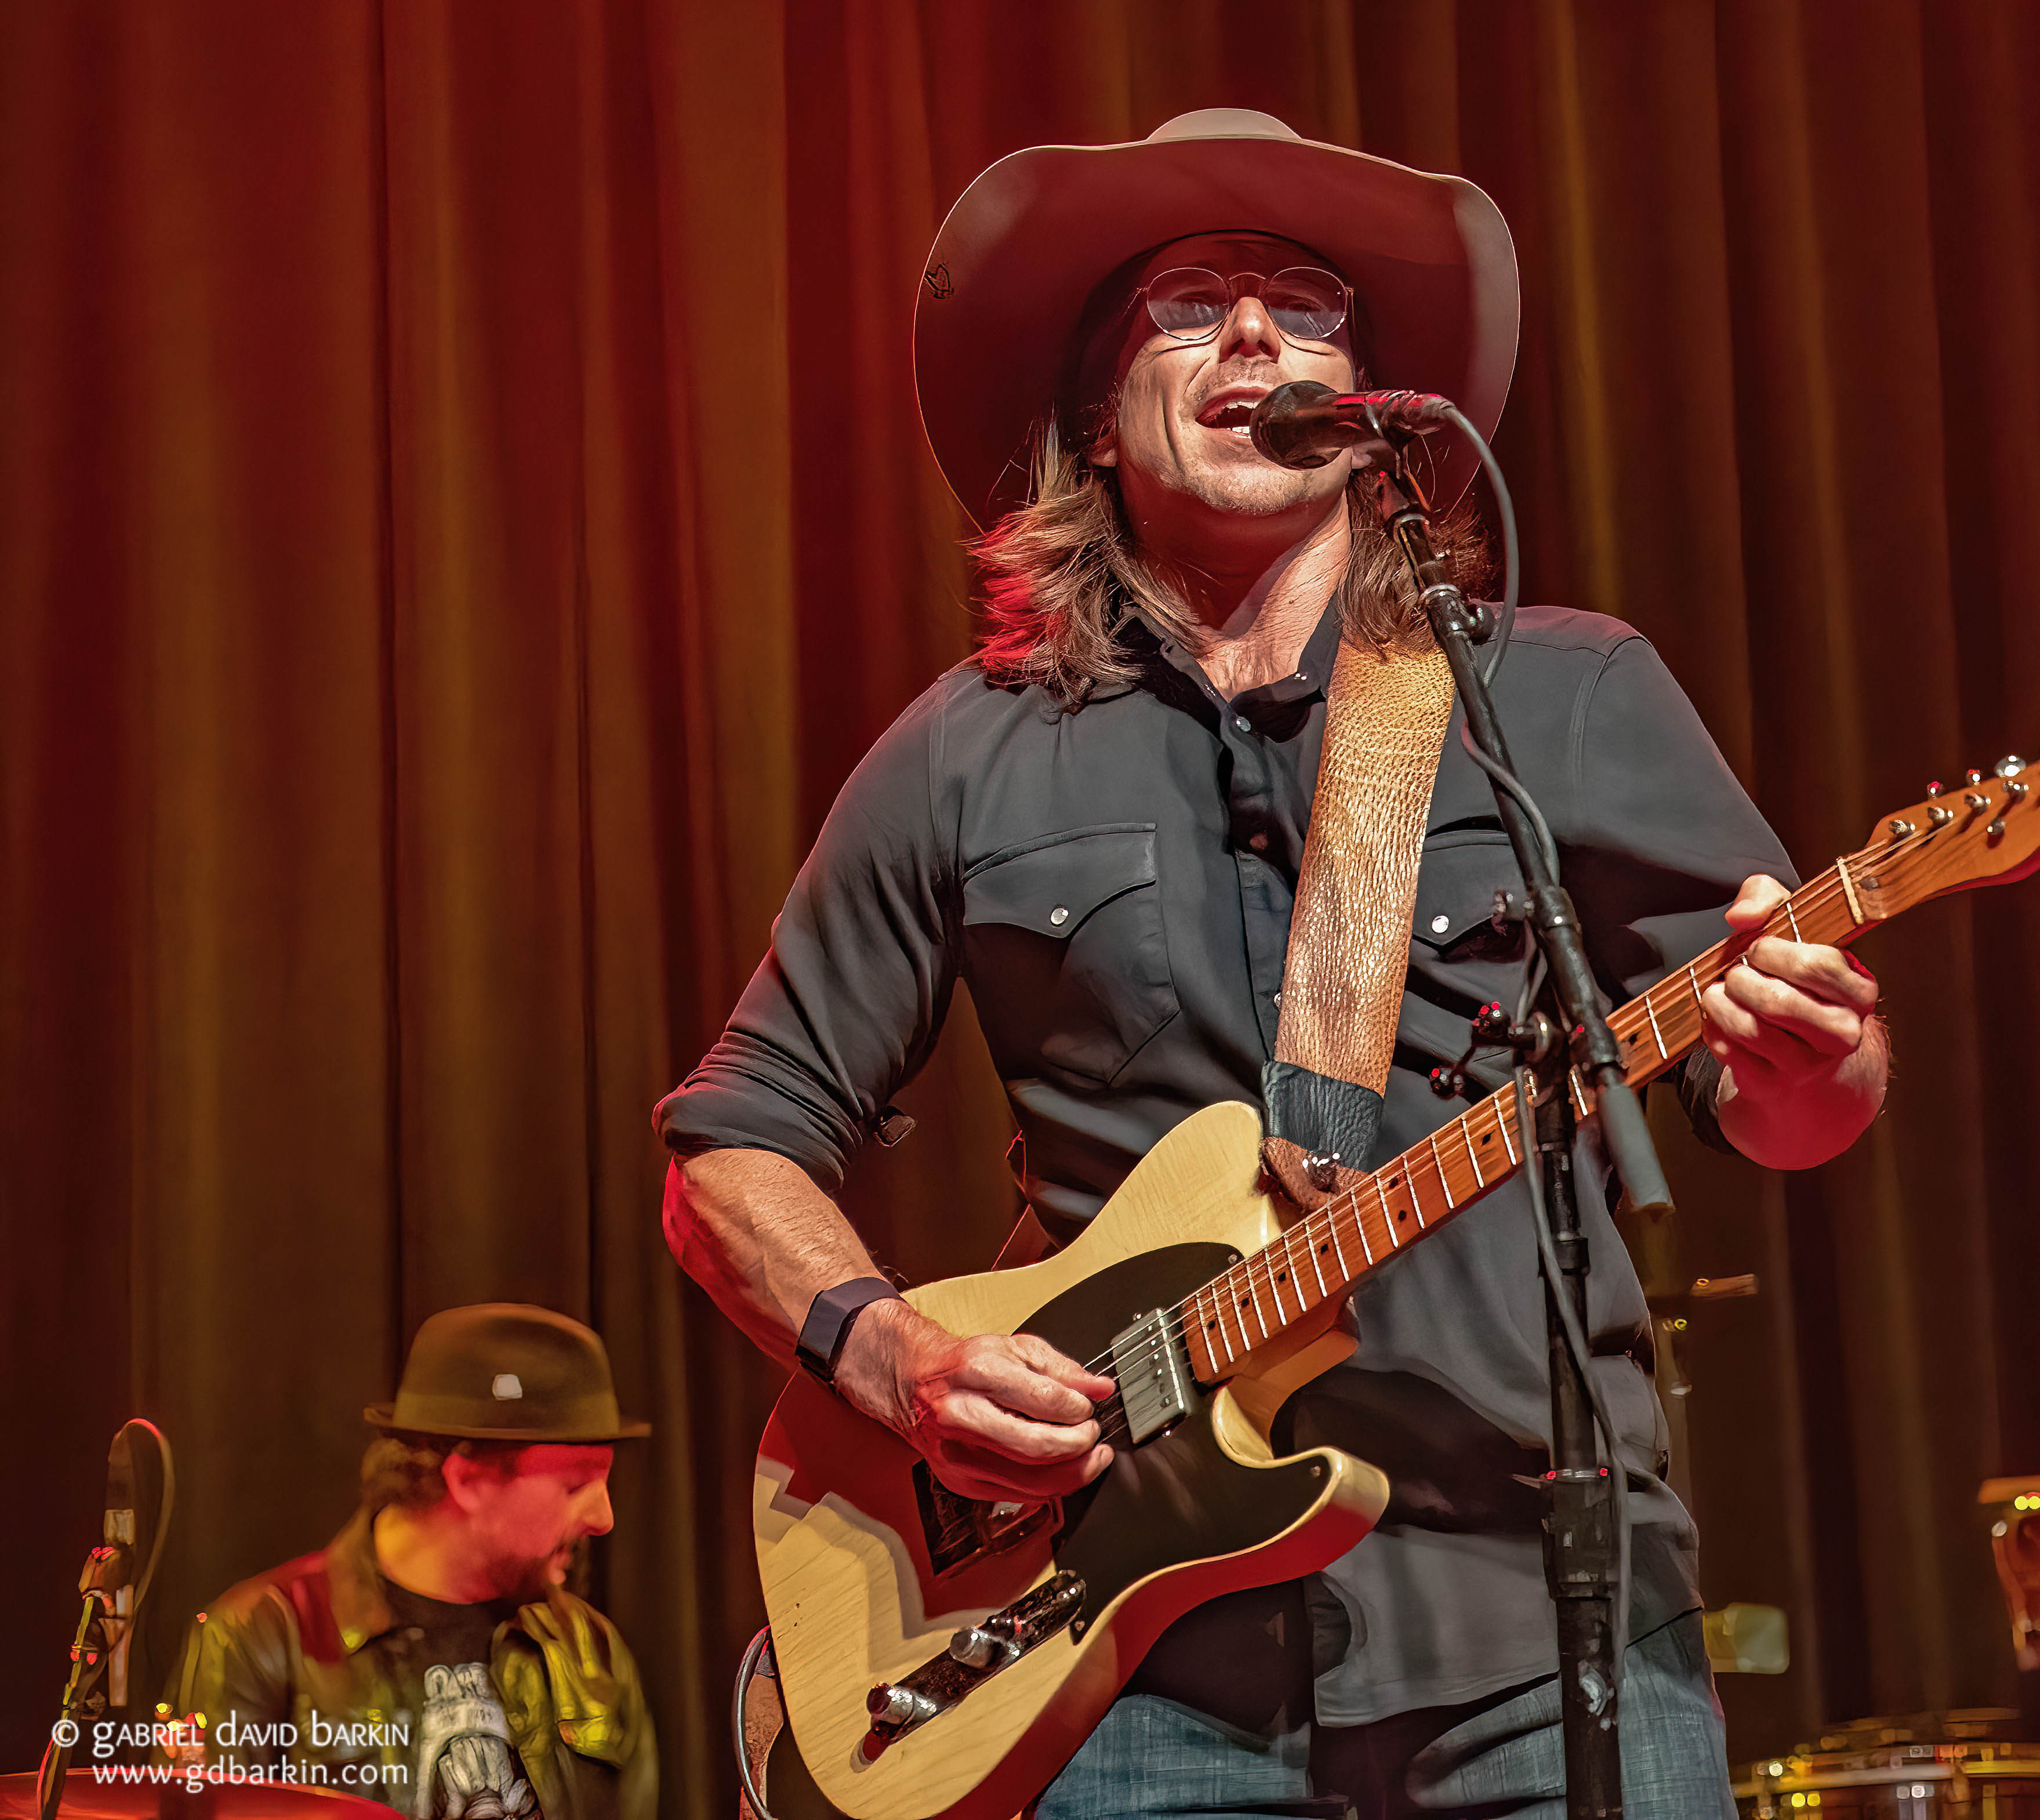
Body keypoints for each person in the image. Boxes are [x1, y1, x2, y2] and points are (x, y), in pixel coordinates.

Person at [655, 110, 1887, 1818]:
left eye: (1306, 309)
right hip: (1126, 1653)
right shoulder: (971, 751)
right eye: (1191, 304)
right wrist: (894, 1357)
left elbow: (1792, 1118)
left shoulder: (1567, 691)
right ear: (1099, 413)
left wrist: (1809, 1056)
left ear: (1371, 417)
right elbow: (732, 1139)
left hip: (1546, 1615)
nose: (1256, 337)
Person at [169, 1304, 658, 1819]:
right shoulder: (260, 1637)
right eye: (575, 1484)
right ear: (467, 1481)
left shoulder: (590, 1648)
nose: (604, 1517)